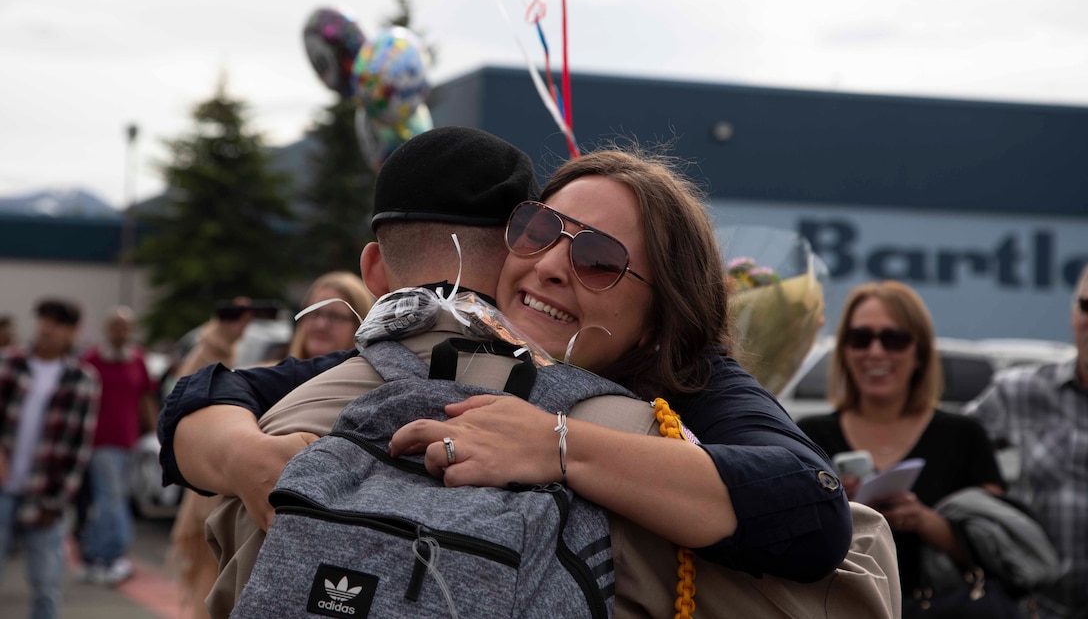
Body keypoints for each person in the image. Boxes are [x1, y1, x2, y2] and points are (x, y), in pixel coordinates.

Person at [160, 129, 853, 615]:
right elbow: (207, 396)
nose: (552, 262)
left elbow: (814, 507)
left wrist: (555, 444)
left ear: (659, 314)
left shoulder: (693, 380)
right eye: (541, 229)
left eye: (600, 258)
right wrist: (252, 459)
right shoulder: (470, 346)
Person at [168, 278, 373, 619]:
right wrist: (221, 336)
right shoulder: (268, 379)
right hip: (223, 536)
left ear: (361, 322)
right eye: (313, 312)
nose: (321, 323)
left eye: (336, 315)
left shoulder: (368, 395)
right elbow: (190, 398)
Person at [795, 280, 1004, 609]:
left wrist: (924, 521)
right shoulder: (810, 435)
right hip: (838, 609)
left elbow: (1000, 546)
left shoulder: (964, 435)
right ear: (845, 350)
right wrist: (838, 508)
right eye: (860, 338)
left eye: (894, 339)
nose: (875, 351)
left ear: (919, 352)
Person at [964, 263, 1088, 619]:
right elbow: (949, 449)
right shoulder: (1017, 393)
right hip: (1030, 609)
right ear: (1072, 312)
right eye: (1087, 306)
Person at [0, 298, 100, 619]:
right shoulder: (9, 366)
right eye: (44, 320)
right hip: (2, 488)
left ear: (73, 331)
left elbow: (78, 449)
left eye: (57, 322)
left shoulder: (82, 379)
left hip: (45, 494)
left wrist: (57, 502)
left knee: (45, 584)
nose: (47, 328)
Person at [77, 305, 158, 586]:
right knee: (112, 498)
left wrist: (156, 433)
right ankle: (112, 554)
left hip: (129, 441)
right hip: (100, 441)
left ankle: (94, 554)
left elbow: (146, 398)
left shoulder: (136, 360)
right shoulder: (92, 360)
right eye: (116, 326)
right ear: (107, 329)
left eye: (125, 326)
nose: (121, 331)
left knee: (115, 498)